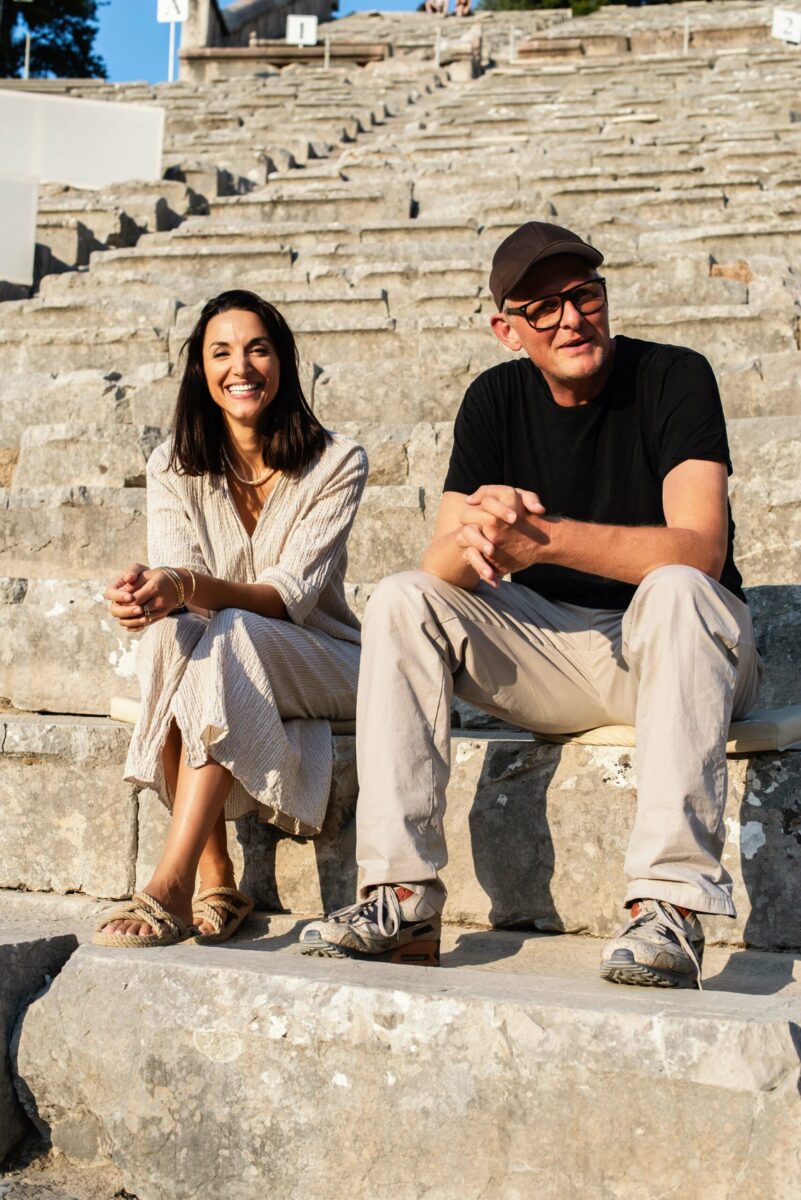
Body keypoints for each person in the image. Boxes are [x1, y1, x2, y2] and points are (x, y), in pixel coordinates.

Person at [299, 221, 762, 989]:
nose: (571, 318)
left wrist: (542, 540)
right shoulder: (494, 399)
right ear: (506, 329)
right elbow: (440, 565)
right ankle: (401, 898)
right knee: (402, 598)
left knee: (677, 587)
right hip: (555, 656)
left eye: (583, 295)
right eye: (543, 308)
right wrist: (485, 527)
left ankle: (668, 910)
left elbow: (700, 549)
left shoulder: (672, 376)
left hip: (684, 652)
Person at [95, 289, 367, 948]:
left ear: (282, 362)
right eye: (221, 353)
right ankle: (216, 872)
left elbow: (286, 597)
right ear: (201, 369)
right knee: (172, 633)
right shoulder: (172, 464)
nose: (240, 367)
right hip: (225, 653)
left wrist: (182, 585)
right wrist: (149, 595)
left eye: (257, 349)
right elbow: (182, 596)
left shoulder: (338, 461)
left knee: (228, 629)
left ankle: (172, 879)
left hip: (328, 660)